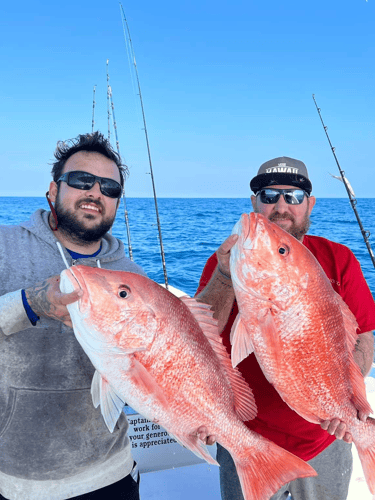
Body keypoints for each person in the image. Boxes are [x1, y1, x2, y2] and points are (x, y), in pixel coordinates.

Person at [196, 156, 375, 500]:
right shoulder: (223, 262)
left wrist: (346, 405)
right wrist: (225, 276)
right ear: (254, 203)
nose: (280, 206)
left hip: (326, 440)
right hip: (247, 441)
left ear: (310, 204)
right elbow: (200, 338)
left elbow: (364, 337)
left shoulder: (340, 259)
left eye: (293, 196)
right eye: (268, 195)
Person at [0, 132, 146, 500]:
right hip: (14, 479)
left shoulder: (132, 277)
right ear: (53, 190)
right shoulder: (5, 246)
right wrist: (29, 303)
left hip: (111, 475)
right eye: (82, 180)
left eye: (109, 188)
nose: (96, 192)